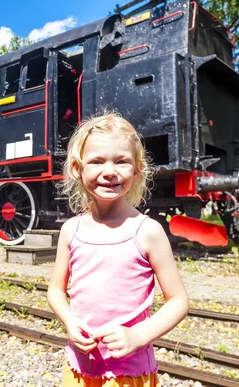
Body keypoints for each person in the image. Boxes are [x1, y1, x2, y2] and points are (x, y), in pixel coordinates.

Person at [47, 112, 189, 387]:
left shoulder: (147, 231)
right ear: (78, 169)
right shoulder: (71, 230)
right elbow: (55, 290)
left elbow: (178, 301)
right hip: (80, 368)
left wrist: (138, 336)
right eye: (97, 161)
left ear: (136, 170)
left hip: (129, 374)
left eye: (121, 161)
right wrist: (69, 321)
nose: (109, 170)